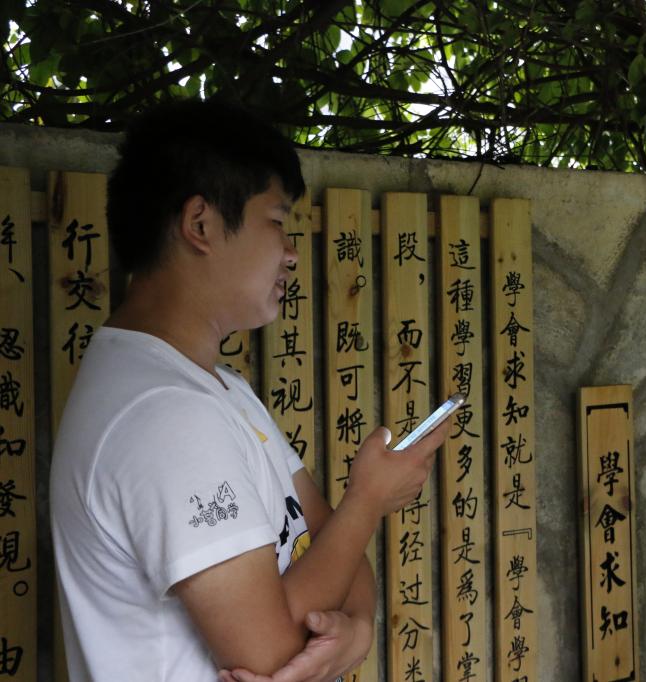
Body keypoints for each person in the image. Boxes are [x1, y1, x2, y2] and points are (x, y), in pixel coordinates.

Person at [49, 99, 446, 681]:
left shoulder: (221, 390)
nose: (291, 253)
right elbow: (272, 657)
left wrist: (357, 631)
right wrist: (367, 501)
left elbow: (334, 548)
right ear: (201, 224)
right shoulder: (163, 413)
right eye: (277, 222)